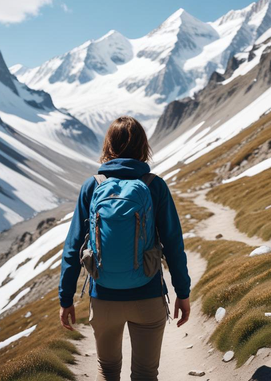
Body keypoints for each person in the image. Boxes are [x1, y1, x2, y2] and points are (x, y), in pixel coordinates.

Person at [58, 115, 191, 381]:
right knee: (145, 374)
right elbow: (174, 244)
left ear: (108, 146)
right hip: (148, 295)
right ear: (143, 147)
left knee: (107, 371)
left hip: (104, 297)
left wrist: (66, 299)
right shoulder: (154, 186)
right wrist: (183, 293)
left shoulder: (92, 186)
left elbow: (73, 246)